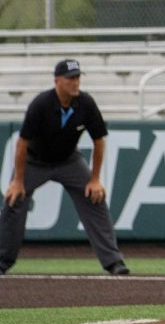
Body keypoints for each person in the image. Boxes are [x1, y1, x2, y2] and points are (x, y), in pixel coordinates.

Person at [0, 60, 128, 276]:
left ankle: (113, 261)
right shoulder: (41, 103)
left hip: (69, 161)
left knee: (95, 197)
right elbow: (22, 143)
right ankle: (2, 261)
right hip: (35, 161)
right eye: (70, 78)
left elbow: (99, 140)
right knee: (14, 199)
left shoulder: (86, 103)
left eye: (78, 77)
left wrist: (95, 179)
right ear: (57, 81)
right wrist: (18, 181)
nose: (75, 82)